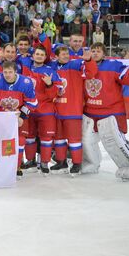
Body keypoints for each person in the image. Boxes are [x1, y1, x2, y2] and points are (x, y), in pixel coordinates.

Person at [82, 42, 129, 180]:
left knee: (115, 143)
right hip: (89, 112)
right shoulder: (83, 66)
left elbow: (128, 79)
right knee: (86, 141)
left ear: (104, 54)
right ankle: (91, 163)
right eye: (93, 51)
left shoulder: (114, 65)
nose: (95, 53)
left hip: (111, 112)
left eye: (99, 51)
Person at [0, 61, 37, 178]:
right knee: (0, 141)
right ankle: (1, 166)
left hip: (17, 114)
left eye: (10, 72)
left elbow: (32, 103)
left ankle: (16, 168)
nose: (7, 74)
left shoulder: (26, 83)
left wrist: (22, 116)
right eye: (5, 72)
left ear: (16, 72)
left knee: (20, 141)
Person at [49, 45, 97, 175]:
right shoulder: (52, 67)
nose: (65, 56)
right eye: (62, 54)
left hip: (72, 110)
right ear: (56, 56)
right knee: (58, 139)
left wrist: (88, 61)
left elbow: (91, 73)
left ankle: (76, 163)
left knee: (74, 139)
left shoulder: (76, 65)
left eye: (67, 53)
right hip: (56, 111)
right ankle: (61, 162)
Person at [20, 45, 63, 175]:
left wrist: (50, 84)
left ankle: (44, 162)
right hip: (28, 108)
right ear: (32, 56)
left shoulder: (50, 71)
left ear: (45, 57)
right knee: (29, 137)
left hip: (45, 109)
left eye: (41, 55)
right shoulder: (25, 66)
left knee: (46, 138)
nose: (39, 56)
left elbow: (56, 94)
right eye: (37, 54)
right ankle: (31, 160)